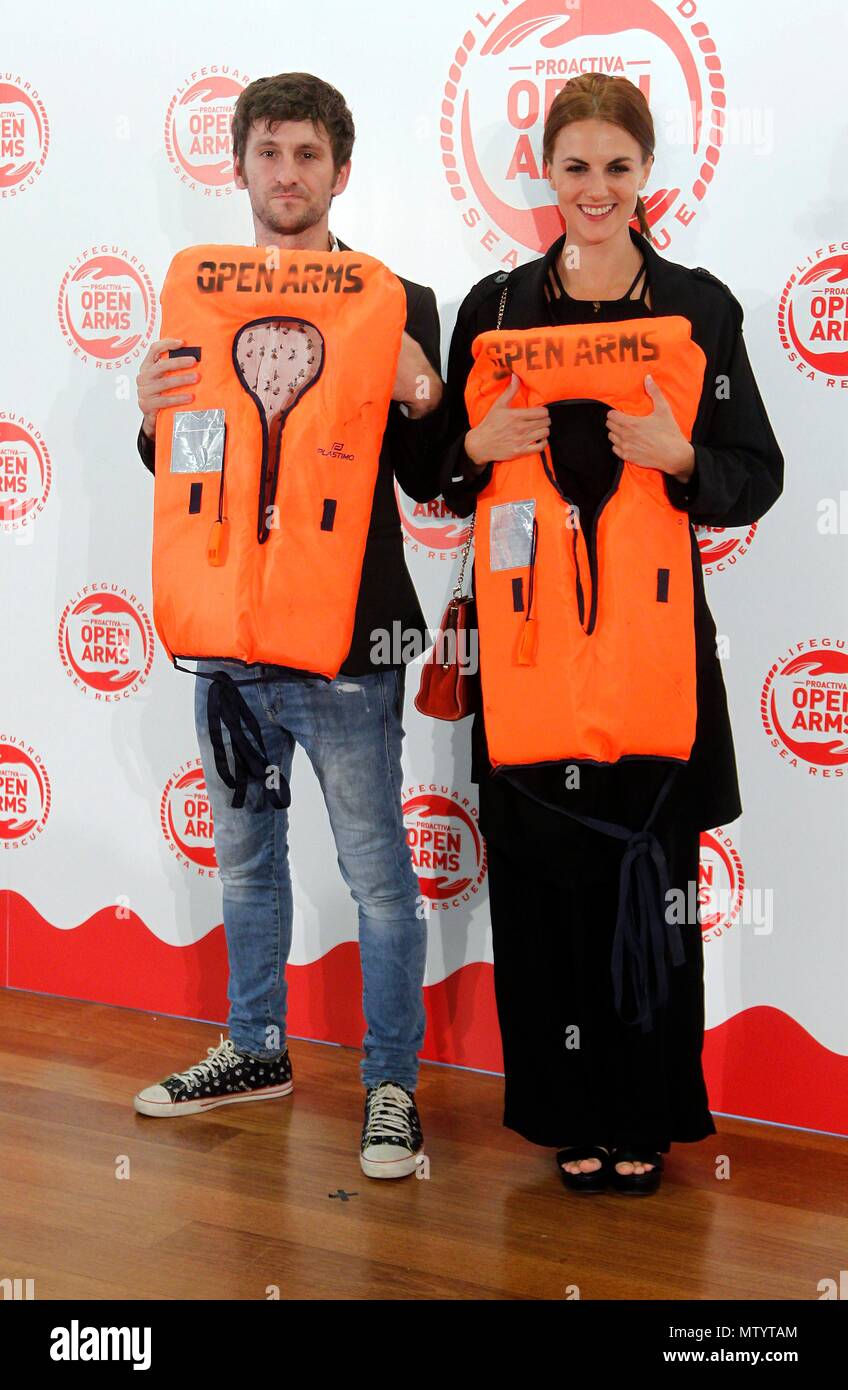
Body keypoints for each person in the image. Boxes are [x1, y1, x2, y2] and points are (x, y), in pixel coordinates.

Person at [438, 73, 783, 1196]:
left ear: (647, 176)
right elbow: (437, 472)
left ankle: (642, 1114)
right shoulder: (492, 310)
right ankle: (563, 1114)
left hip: (648, 672)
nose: (595, 189)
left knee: (646, 900)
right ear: (544, 171)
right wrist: (473, 444)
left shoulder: (698, 307)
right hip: (532, 668)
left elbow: (752, 474)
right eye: (574, 166)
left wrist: (678, 456)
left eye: (616, 168)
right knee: (542, 910)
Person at [132, 72, 446, 1180]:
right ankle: (255, 1047)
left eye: (307, 154)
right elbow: (181, 470)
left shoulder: (396, 296)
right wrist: (148, 415)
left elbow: (434, 478)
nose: (286, 174)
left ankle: (391, 1088)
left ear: (339, 172)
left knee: (374, 875)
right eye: (268, 152)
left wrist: (422, 397)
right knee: (246, 864)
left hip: (352, 647)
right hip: (227, 637)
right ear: (239, 167)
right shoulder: (197, 298)